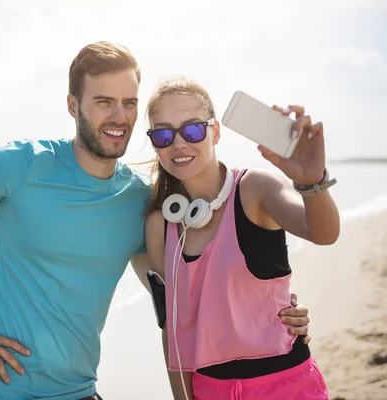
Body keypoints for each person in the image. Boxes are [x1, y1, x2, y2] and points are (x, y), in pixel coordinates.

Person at [0, 41, 312, 400]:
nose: (118, 117)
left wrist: (276, 313)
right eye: (103, 102)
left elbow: (181, 295)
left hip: (80, 393)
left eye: (128, 103)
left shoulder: (138, 200)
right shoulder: (19, 164)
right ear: (72, 105)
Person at [141, 76, 339, 399]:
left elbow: (324, 232)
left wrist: (311, 181)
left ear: (215, 131)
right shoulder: (159, 225)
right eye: (163, 134)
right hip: (210, 390)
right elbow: (173, 330)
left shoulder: (255, 190)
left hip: (287, 384)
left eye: (192, 130)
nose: (178, 144)